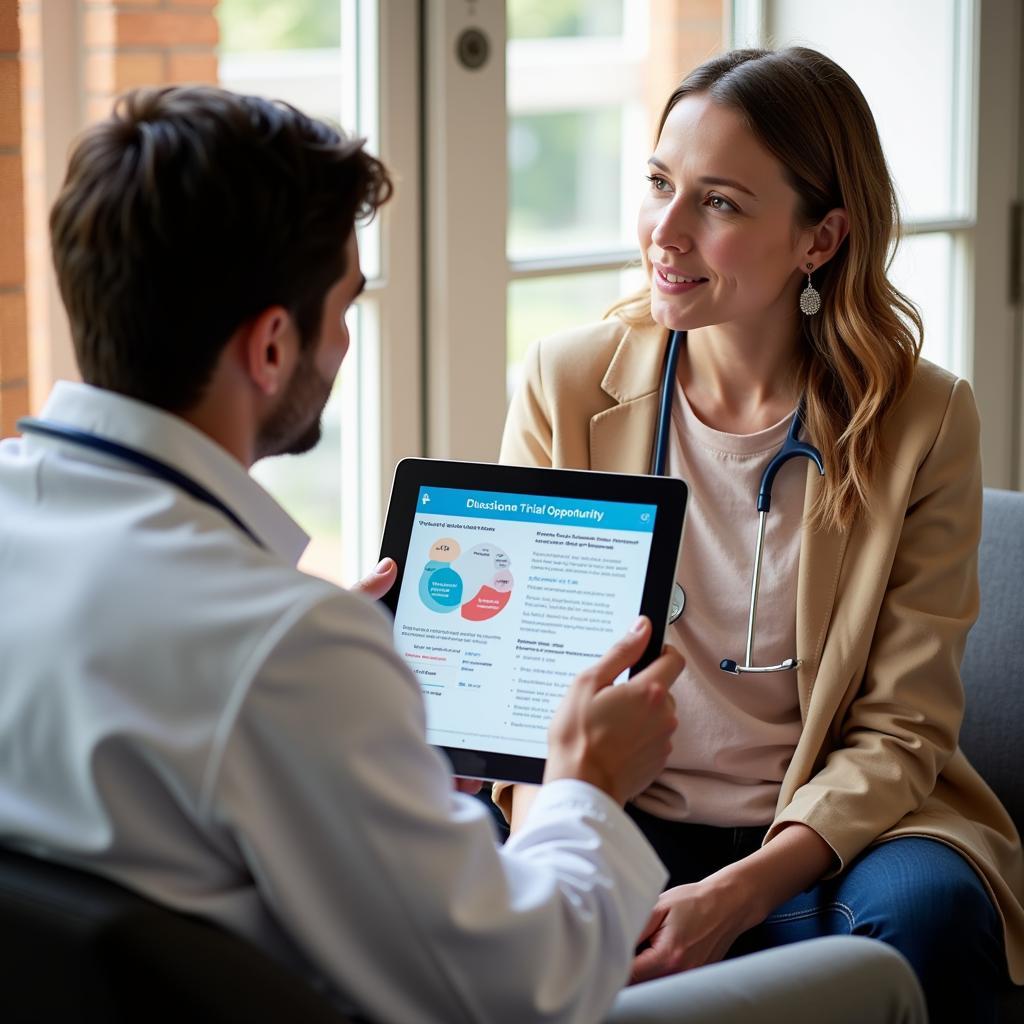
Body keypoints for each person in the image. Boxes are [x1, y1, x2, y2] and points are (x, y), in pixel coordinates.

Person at [0, 84, 926, 1024]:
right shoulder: (286, 652)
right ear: (273, 347)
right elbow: (526, 989)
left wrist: (339, 681)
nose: (348, 339)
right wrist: (585, 788)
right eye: (345, 305)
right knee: (883, 986)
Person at [497, 46, 1024, 1023]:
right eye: (659, 183)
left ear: (819, 238)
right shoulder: (566, 384)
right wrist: (550, 869)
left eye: (720, 203)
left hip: (835, 821)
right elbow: (532, 685)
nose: (664, 230)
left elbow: (900, 729)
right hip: (627, 807)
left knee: (929, 918)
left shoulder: (923, 419)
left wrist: (742, 890)